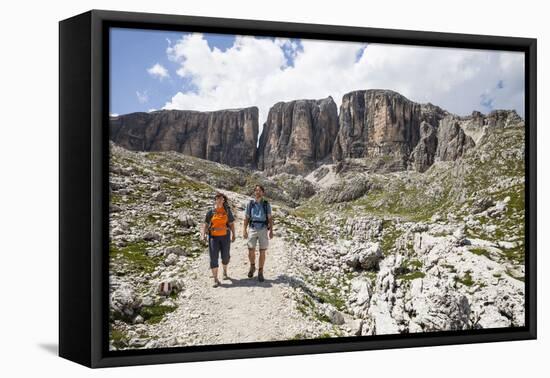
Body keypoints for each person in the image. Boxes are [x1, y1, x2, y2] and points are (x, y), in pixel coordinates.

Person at [201, 192, 236, 287]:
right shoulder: (211, 212)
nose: (220, 200)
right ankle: (215, 279)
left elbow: (231, 223)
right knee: (213, 258)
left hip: (225, 236)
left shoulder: (227, 211)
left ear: (224, 200)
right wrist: (203, 235)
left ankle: (225, 272)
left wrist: (234, 234)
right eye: (218, 199)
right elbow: (205, 224)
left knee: (225, 256)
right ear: (215, 200)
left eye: (222, 199)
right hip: (213, 237)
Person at [243, 185, 273, 282]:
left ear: (263, 192)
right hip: (252, 228)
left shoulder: (266, 204)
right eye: (256, 190)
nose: (258, 192)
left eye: (260, 190)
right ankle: (252, 266)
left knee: (262, 251)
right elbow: (247, 217)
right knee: (250, 249)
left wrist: (271, 230)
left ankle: (260, 271)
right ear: (254, 192)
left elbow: (270, 218)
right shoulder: (250, 203)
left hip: (263, 229)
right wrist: (244, 229)